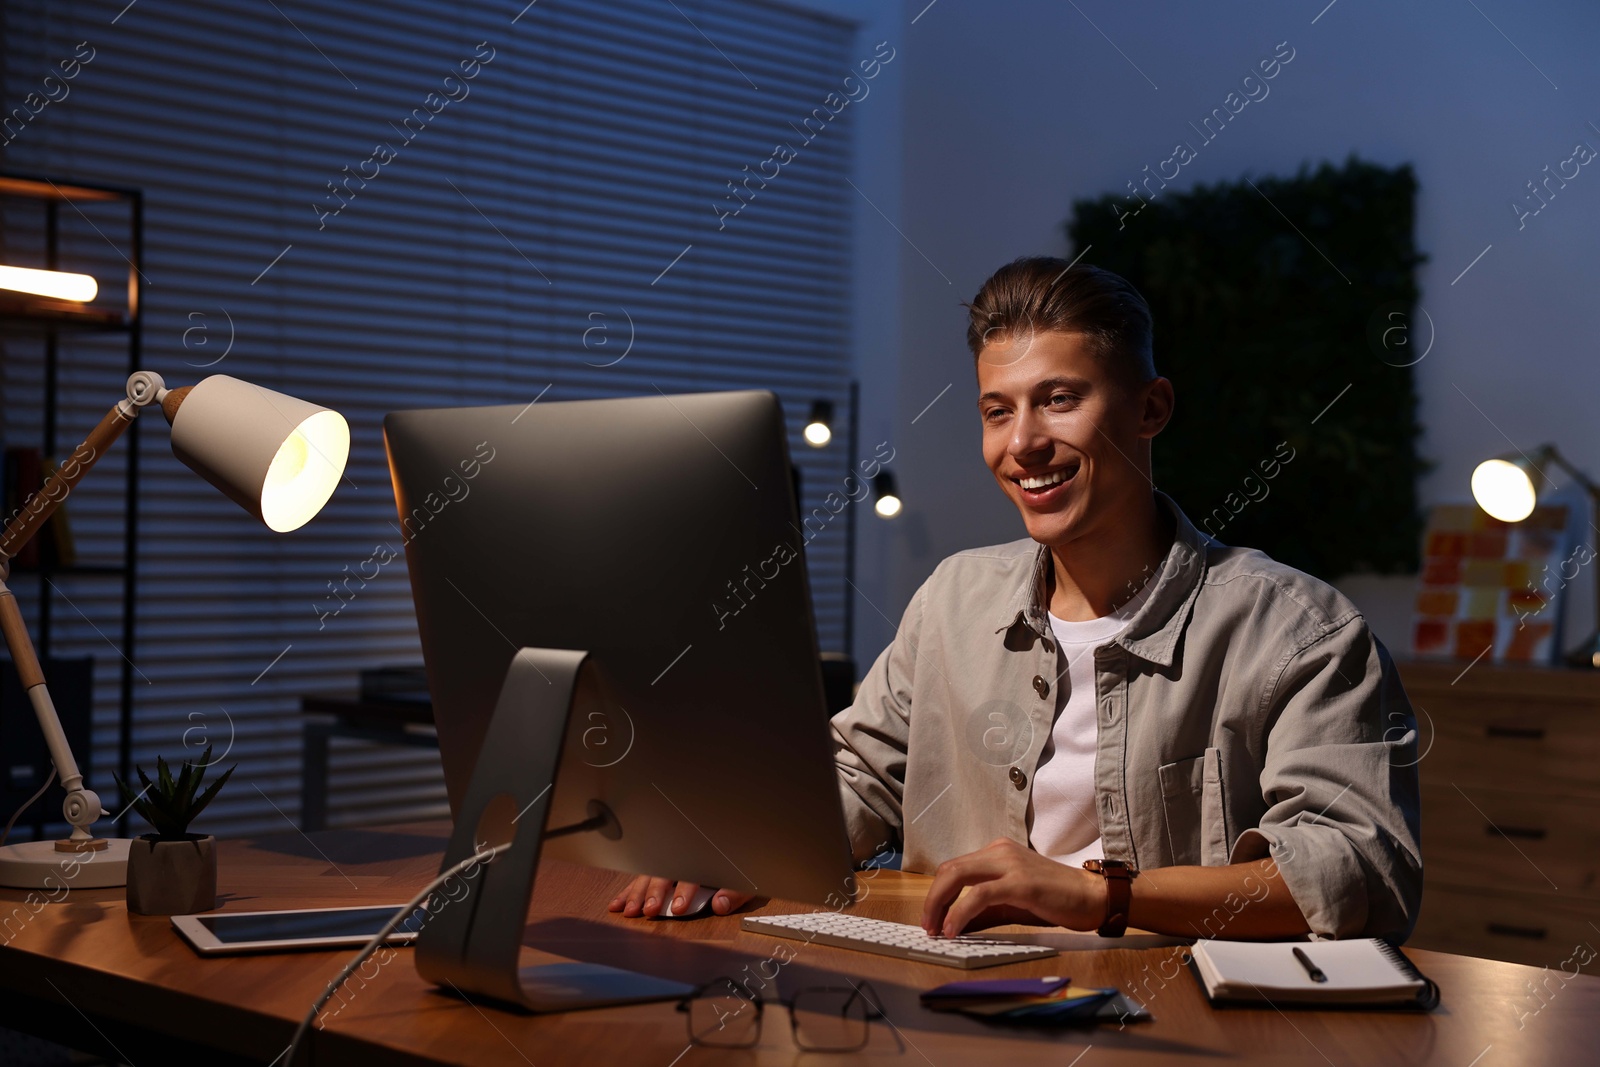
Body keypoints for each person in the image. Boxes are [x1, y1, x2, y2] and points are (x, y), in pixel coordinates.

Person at [609, 257, 1422, 942]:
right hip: (949, 1005)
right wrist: (726, 844)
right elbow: (859, 774)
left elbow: (1364, 870)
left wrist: (1106, 894)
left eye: (1059, 399)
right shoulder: (954, 597)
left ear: (1151, 408)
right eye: (998, 410)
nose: (1022, 442)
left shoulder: (1300, 632)